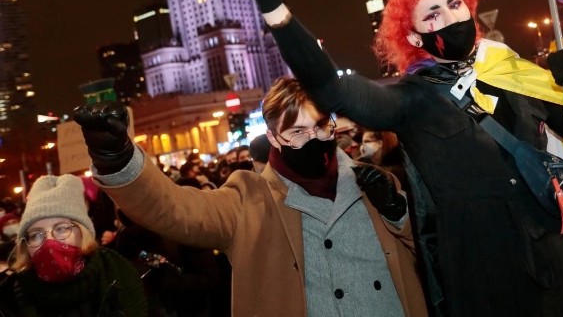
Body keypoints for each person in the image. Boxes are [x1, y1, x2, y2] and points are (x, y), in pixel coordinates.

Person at [237, 0, 563, 317]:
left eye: (454, 4)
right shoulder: (410, 100)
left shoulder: (516, 76)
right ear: (413, 36)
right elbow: (332, 89)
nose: (449, 18)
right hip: (489, 282)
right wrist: (276, 10)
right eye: (432, 15)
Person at [72, 77, 427, 317]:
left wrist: (399, 214)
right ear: (274, 139)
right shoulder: (248, 198)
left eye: (321, 127)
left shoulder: (374, 180)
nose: (314, 139)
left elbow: (426, 248)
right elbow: (173, 209)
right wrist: (117, 159)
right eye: (297, 132)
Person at [0, 174, 148, 316]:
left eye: (61, 228)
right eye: (35, 235)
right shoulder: (8, 302)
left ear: (83, 233)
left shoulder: (124, 276)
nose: (49, 241)